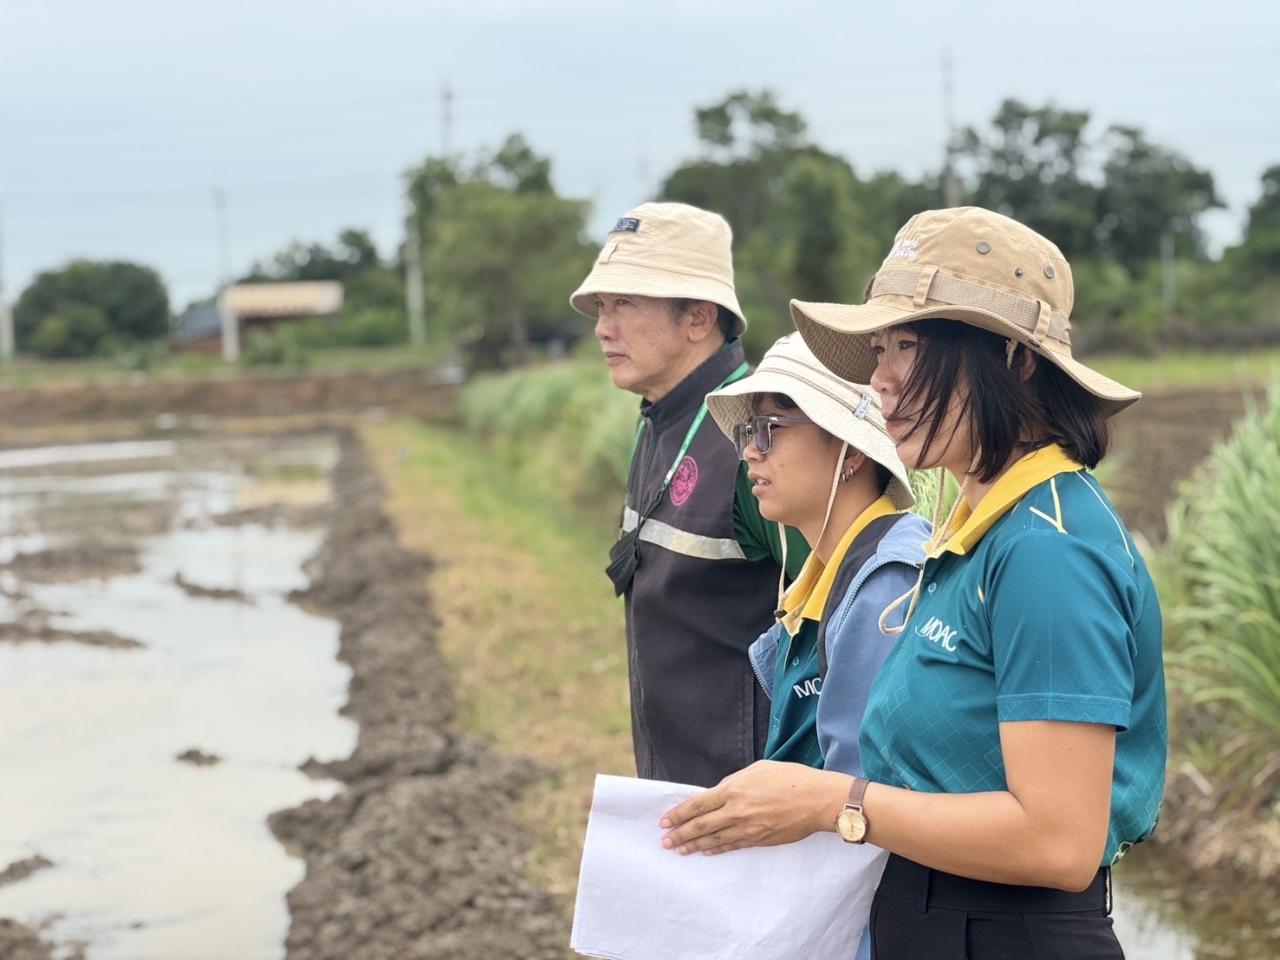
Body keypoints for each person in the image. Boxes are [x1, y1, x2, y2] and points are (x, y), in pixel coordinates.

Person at [660, 207, 1166, 960]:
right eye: (880, 348)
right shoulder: (974, 533)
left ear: (1012, 359)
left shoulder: (1045, 549)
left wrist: (836, 802)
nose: (881, 380)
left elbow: (1060, 841)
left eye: (910, 346)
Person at [570, 201, 808, 789]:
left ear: (699, 319)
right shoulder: (657, 420)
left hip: (750, 806)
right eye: (602, 306)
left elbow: (836, 631)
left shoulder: (757, 436)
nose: (603, 326)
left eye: (625, 302)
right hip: (677, 789)